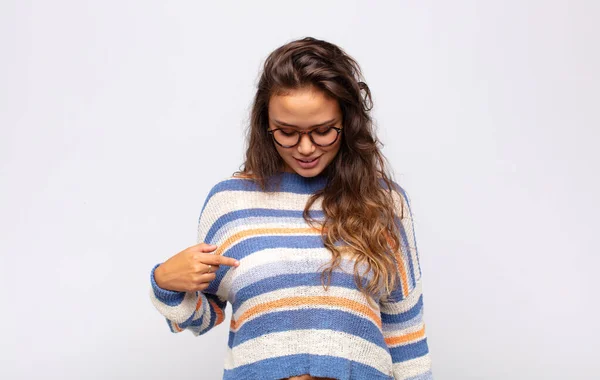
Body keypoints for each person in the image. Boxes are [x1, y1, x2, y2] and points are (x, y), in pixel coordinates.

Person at [149, 36, 433, 380]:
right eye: (287, 132)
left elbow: (405, 333)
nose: (306, 147)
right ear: (265, 126)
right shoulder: (229, 204)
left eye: (324, 131)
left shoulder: (383, 201)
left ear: (349, 122)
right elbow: (202, 317)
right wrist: (164, 282)